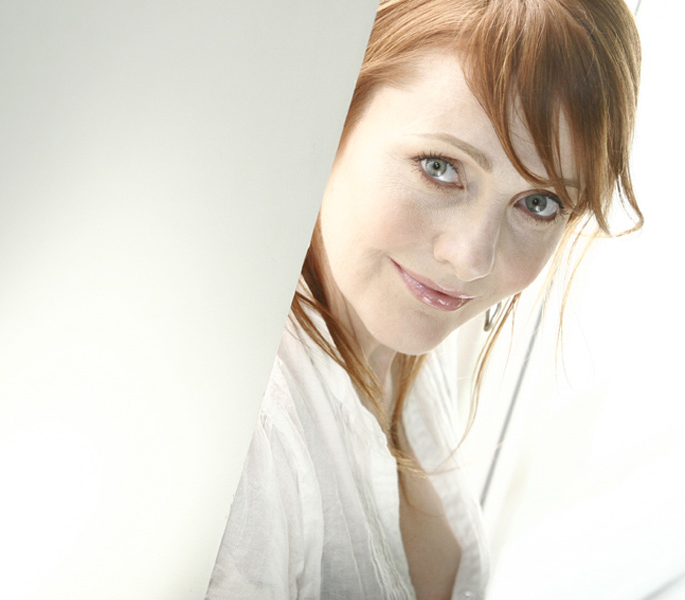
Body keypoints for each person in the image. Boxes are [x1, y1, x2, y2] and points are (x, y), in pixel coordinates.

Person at [206, 0, 641, 598]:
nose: (471, 259)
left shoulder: (406, 346)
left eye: (538, 203)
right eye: (440, 167)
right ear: (338, 109)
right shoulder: (248, 442)